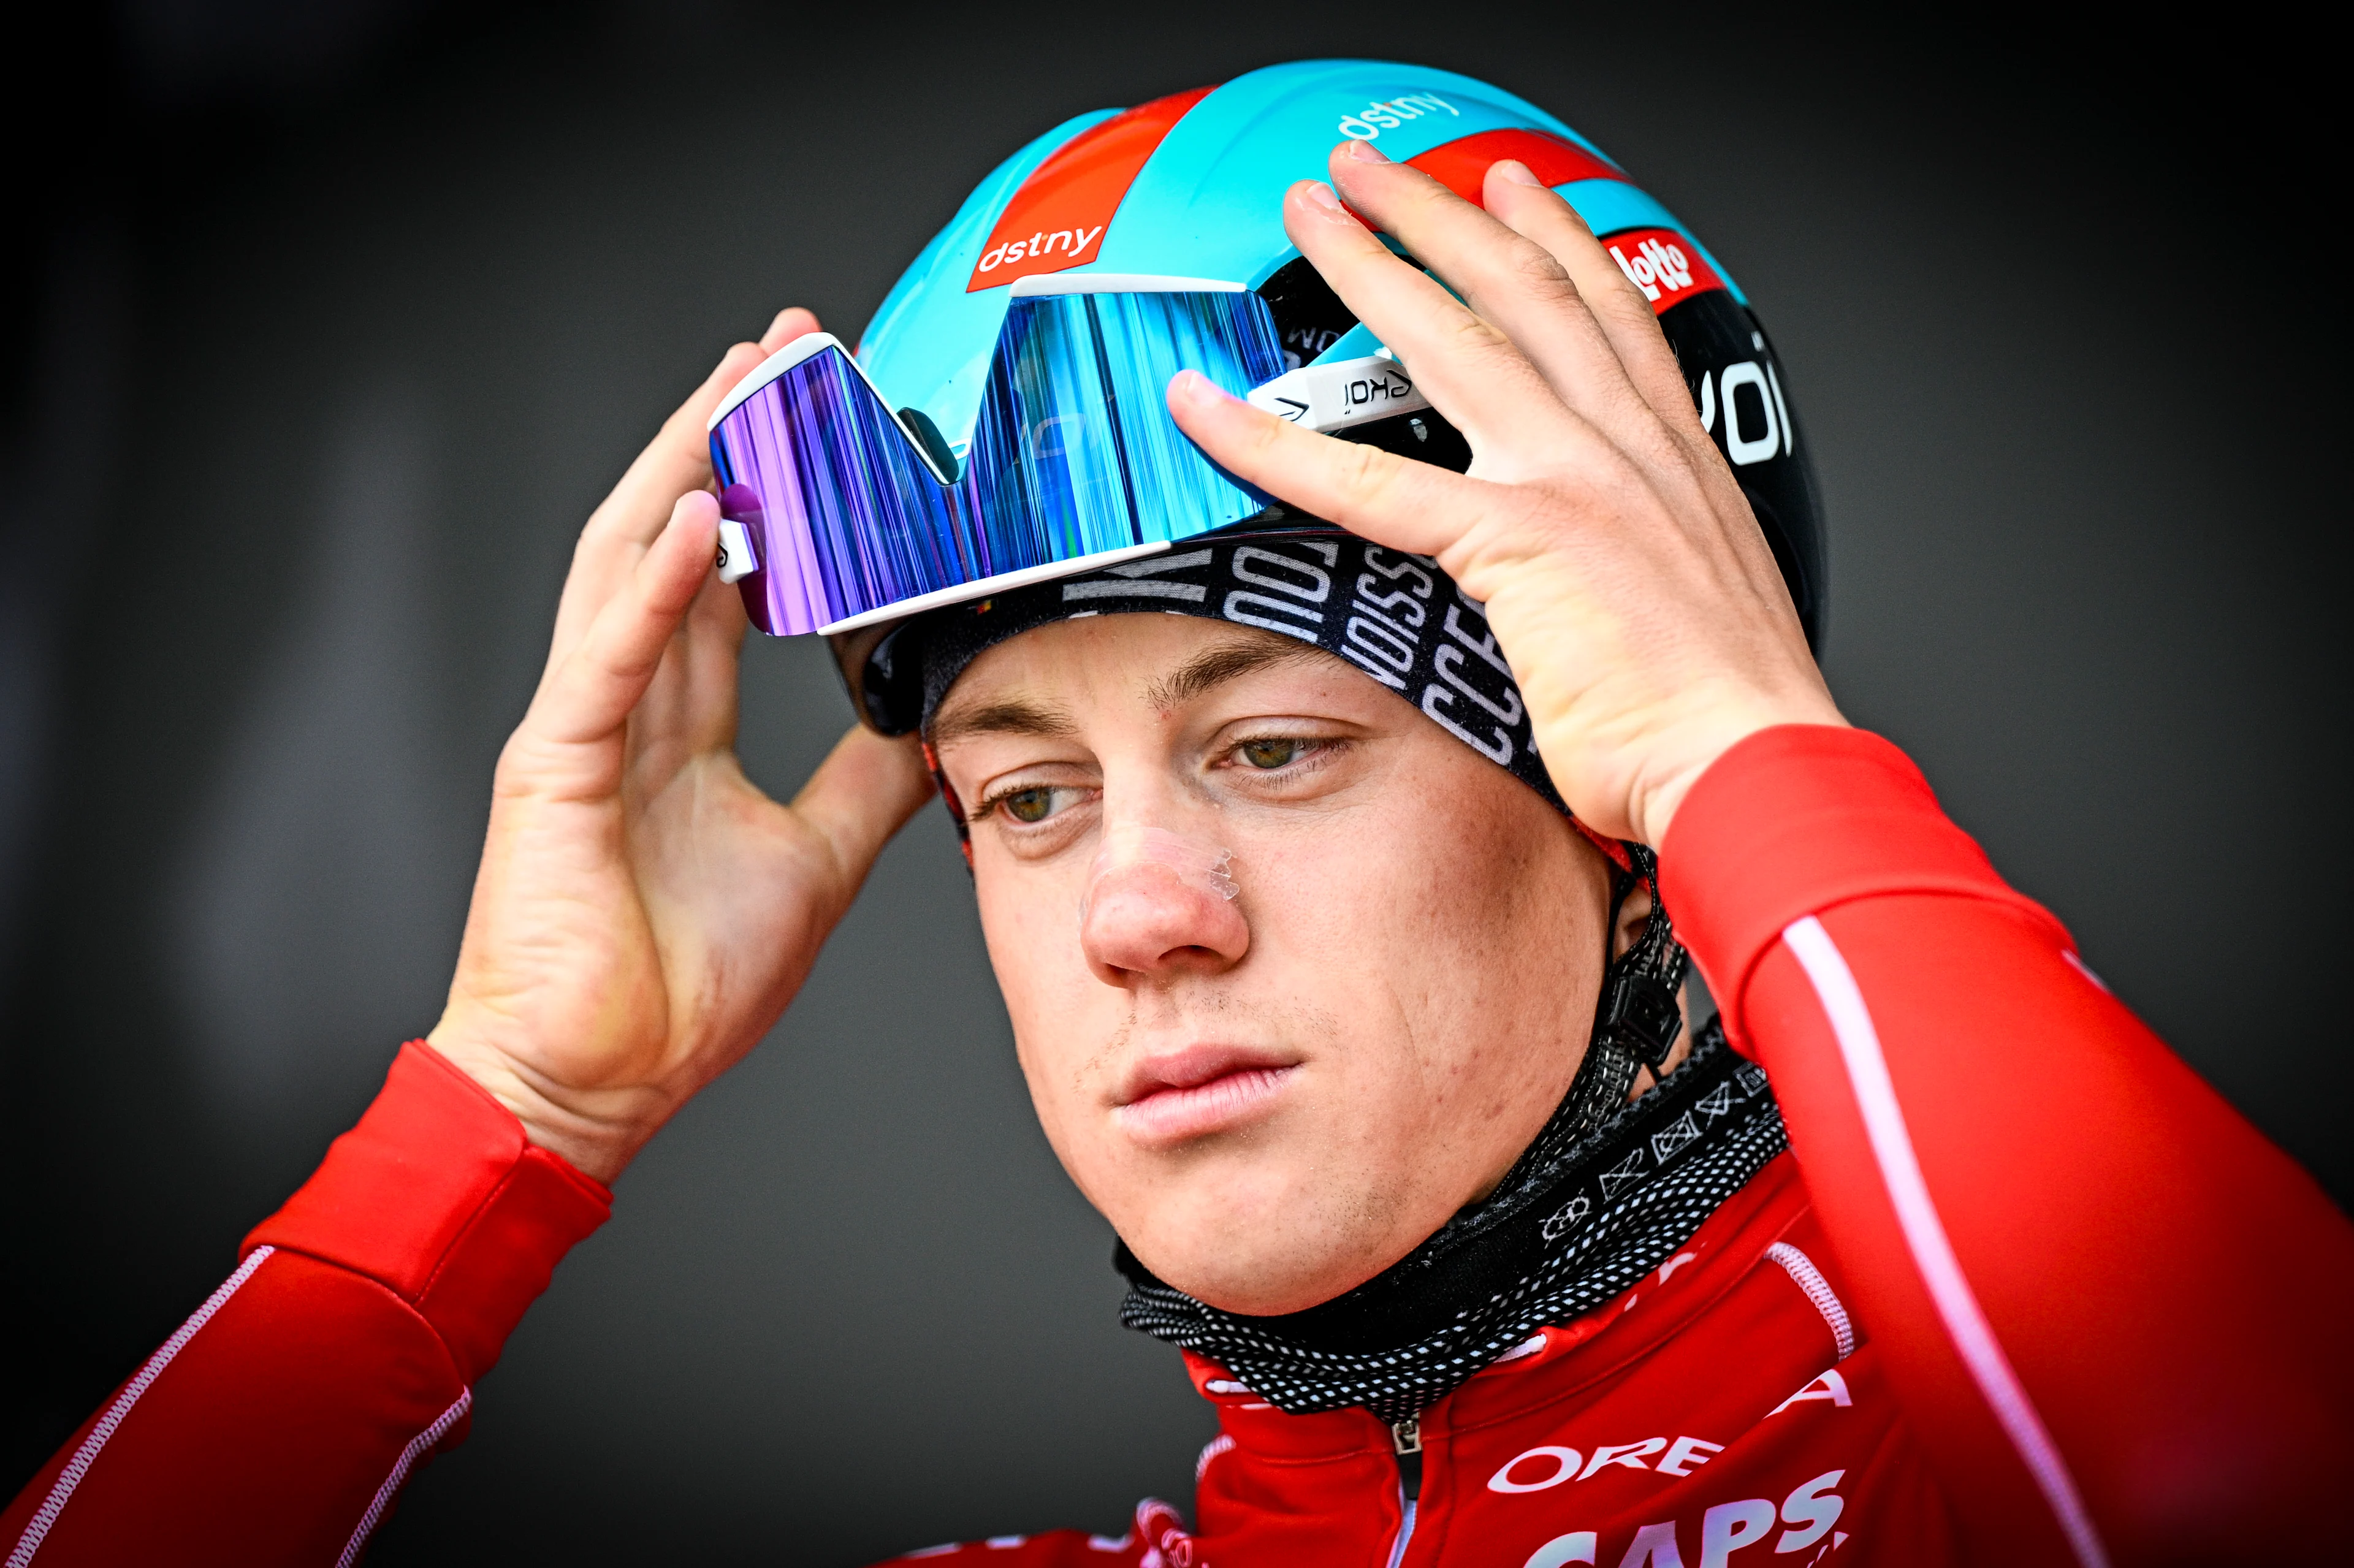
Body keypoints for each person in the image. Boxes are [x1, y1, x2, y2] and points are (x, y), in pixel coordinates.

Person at [5, 60, 2347, 1568]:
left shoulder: (1966, 1487)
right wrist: (510, 1110)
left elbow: (2239, 1481)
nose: (1137, 909)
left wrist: (1759, 755)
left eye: (1277, 745)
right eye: (1023, 796)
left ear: (1626, 804)